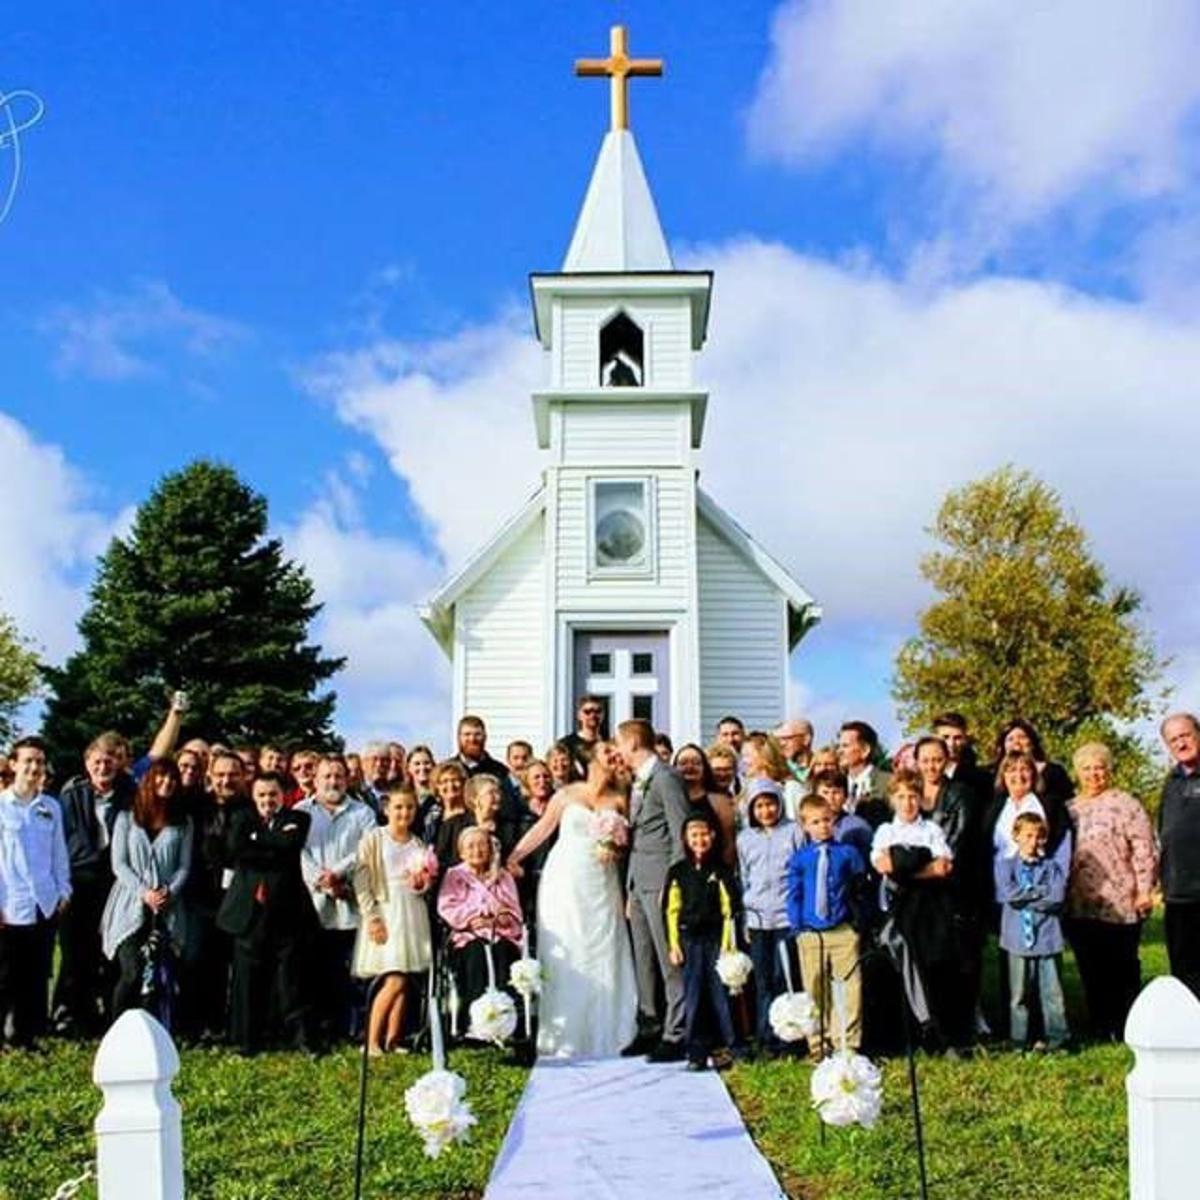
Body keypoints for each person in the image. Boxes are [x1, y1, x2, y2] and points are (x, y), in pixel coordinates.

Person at [508, 742, 638, 1059]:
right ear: (593, 759)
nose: (615, 756)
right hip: (564, 880)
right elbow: (543, 828)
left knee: (604, 948)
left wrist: (616, 848)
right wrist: (514, 857)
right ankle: (565, 1033)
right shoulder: (567, 794)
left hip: (603, 882)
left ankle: (607, 1030)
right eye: (609, 751)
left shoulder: (620, 797)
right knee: (570, 947)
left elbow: (630, 845)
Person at [218, 771, 318, 1056]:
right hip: (248, 912)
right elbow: (236, 849)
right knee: (247, 979)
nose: (267, 800)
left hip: (286, 911)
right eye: (261, 795)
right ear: (253, 796)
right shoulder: (241, 819)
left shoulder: (298, 819)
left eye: (273, 794)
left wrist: (257, 841)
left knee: (291, 980)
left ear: (282, 795)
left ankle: (299, 1039)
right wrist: (269, 840)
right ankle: (247, 1041)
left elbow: (289, 847)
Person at [1064, 741, 1157, 1040]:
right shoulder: (1070, 808)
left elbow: (1144, 848)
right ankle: (1100, 1024)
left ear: (1109, 770)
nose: (1094, 774)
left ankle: (1129, 1023)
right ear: (1078, 772)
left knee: (1122, 965)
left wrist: (1144, 890)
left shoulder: (1126, 803)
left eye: (1099, 767)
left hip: (1121, 898)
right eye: (1087, 769)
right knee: (1091, 966)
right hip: (1080, 901)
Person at [52, 731, 136, 1036]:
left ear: (118, 765)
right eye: (97, 762)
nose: (103, 767)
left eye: (109, 762)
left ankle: (104, 1013)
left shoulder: (129, 796)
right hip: (78, 880)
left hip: (112, 883)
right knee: (75, 951)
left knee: (107, 951)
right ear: (87, 764)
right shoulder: (70, 795)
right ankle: (67, 1014)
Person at [617, 718, 691, 1061]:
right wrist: (630, 885)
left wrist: (673, 885)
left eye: (619, 744)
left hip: (661, 881)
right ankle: (649, 1024)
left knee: (669, 959)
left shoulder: (666, 778)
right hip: (638, 882)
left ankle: (676, 1033)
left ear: (632, 743)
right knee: (642, 958)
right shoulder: (637, 782)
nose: (618, 751)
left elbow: (681, 834)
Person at [100, 760, 193, 1024]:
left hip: (167, 907)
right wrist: (144, 892)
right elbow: (119, 863)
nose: (167, 783)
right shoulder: (127, 817)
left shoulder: (183, 822)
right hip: (130, 903)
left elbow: (184, 866)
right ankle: (117, 1027)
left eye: (172, 779)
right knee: (131, 971)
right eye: (160, 777)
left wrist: (168, 892)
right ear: (148, 781)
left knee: (158, 973)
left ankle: (153, 1028)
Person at [871, 771, 958, 1045]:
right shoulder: (886, 831)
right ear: (892, 800)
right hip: (899, 906)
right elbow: (883, 866)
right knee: (902, 964)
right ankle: (910, 1028)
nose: (908, 803)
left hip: (930, 906)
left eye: (912, 796)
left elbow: (943, 867)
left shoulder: (931, 830)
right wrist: (921, 862)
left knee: (932, 964)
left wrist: (904, 866)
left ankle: (936, 1029)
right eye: (901, 797)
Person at [298, 755, 377, 1042]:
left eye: (338, 776)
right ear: (316, 779)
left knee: (348, 971)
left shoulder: (363, 813)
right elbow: (297, 851)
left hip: (349, 902)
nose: (332, 781)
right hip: (313, 903)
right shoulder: (300, 811)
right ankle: (320, 1028)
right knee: (315, 970)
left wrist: (338, 875)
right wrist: (321, 879)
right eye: (327, 776)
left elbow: (366, 850)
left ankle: (350, 1028)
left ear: (347, 779)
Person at [352, 787, 435, 1057]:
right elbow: (362, 878)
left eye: (410, 807)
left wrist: (422, 884)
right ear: (387, 809)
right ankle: (371, 1040)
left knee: (405, 977)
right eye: (398, 807)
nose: (404, 813)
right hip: (387, 910)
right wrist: (371, 915)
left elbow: (425, 882)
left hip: (412, 910)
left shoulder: (418, 843)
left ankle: (393, 1038)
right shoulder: (375, 838)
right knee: (394, 977)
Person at [0, 737, 70, 1048]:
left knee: (35, 974)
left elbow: (59, 854)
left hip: (44, 902)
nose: (34, 767)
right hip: (9, 904)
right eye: (28, 760)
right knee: (5, 976)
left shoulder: (50, 807)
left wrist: (63, 890)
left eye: (39, 761)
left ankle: (26, 1037)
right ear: (13, 764)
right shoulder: (2, 807)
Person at [787, 795, 867, 1058]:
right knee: (814, 986)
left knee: (849, 987)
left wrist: (857, 923)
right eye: (815, 822)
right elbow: (795, 893)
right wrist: (798, 927)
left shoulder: (847, 853)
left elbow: (860, 888)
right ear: (804, 826)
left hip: (842, 929)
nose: (822, 826)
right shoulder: (801, 858)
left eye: (827, 820)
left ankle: (847, 1042)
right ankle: (817, 1043)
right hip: (811, 932)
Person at [178, 749, 247, 1041]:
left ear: (242, 777)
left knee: (226, 966)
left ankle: (220, 1025)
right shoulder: (195, 805)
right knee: (194, 961)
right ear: (209, 776)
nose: (226, 780)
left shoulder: (249, 809)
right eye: (220, 775)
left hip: (236, 900)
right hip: (198, 897)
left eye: (232, 775)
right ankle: (192, 1024)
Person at [665, 812, 741, 1071]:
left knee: (721, 995)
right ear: (686, 838)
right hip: (689, 940)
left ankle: (728, 1048)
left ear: (713, 836)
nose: (700, 840)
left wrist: (728, 945)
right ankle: (696, 1052)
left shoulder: (721, 869)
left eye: (704, 834)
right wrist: (674, 945)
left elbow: (729, 909)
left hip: (716, 940)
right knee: (694, 996)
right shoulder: (678, 871)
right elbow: (671, 910)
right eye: (694, 835)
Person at [437, 827, 524, 1035]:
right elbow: (446, 907)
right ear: (462, 852)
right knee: (475, 953)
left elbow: (514, 911)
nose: (477, 850)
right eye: (471, 846)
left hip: (500, 934)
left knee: (503, 953)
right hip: (468, 937)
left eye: (482, 844)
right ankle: (477, 1021)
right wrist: (472, 917)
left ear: (490, 848)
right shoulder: (454, 875)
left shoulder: (502, 876)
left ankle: (505, 1021)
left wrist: (501, 918)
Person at [994, 813, 1070, 1050]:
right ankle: (1019, 1039)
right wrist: (1040, 892)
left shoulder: (1052, 867)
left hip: (1047, 936)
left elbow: (1056, 897)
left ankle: (1058, 1038)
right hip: (1017, 938)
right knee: (1019, 994)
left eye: (1039, 836)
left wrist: (1026, 894)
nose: (1033, 840)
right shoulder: (1004, 866)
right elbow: (1008, 895)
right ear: (1016, 836)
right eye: (1027, 835)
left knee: (1053, 993)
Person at [736, 779, 801, 1055]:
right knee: (763, 980)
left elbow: (799, 873)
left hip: (786, 917)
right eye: (759, 806)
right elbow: (743, 878)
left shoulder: (794, 831)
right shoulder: (745, 839)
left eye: (770, 803)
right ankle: (765, 1036)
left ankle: (790, 1035)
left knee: (784, 977)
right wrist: (745, 920)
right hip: (758, 919)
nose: (766, 811)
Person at [1158, 713, 1200, 998]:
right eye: (1173, 739)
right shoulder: (1171, 781)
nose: (1180, 743)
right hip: (1178, 892)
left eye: (1185, 735)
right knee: (1184, 968)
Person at [992, 719, 1073, 814]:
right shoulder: (991, 773)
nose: (1016, 742)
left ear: (1032, 743)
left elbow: (1067, 802)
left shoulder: (1054, 771)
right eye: (1010, 739)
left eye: (1022, 737)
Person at [673, 743, 736, 865]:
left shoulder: (719, 802)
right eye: (683, 763)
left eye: (696, 763)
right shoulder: (669, 800)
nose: (689, 767)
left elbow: (729, 843)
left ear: (705, 768)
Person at [741, 732, 804, 823]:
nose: (744, 761)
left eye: (747, 755)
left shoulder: (790, 788)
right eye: (743, 756)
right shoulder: (747, 789)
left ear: (764, 755)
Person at [811, 769, 873, 860]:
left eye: (836, 792)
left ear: (845, 797)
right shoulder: (806, 826)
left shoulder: (857, 826)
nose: (830, 798)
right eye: (825, 792)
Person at [837, 722, 891, 824]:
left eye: (845, 746)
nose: (839, 751)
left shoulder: (888, 782)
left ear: (865, 750)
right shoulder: (838, 784)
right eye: (839, 746)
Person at [422, 759, 467, 857]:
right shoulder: (432, 814)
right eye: (444, 781)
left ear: (463, 784)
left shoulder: (471, 814)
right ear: (437, 786)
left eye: (455, 780)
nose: (450, 785)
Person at [561, 694, 606, 777]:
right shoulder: (566, 744)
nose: (593, 715)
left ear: (602, 715)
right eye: (587, 712)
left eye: (597, 711)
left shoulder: (608, 743)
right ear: (579, 715)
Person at [775, 718, 815, 787]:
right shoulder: (777, 771)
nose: (782, 743)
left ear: (806, 739)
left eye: (787, 738)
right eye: (779, 739)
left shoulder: (822, 767)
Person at [358, 742, 392, 819]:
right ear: (363, 764)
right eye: (374, 759)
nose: (379, 764)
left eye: (384, 760)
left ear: (390, 764)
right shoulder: (357, 794)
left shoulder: (397, 792)